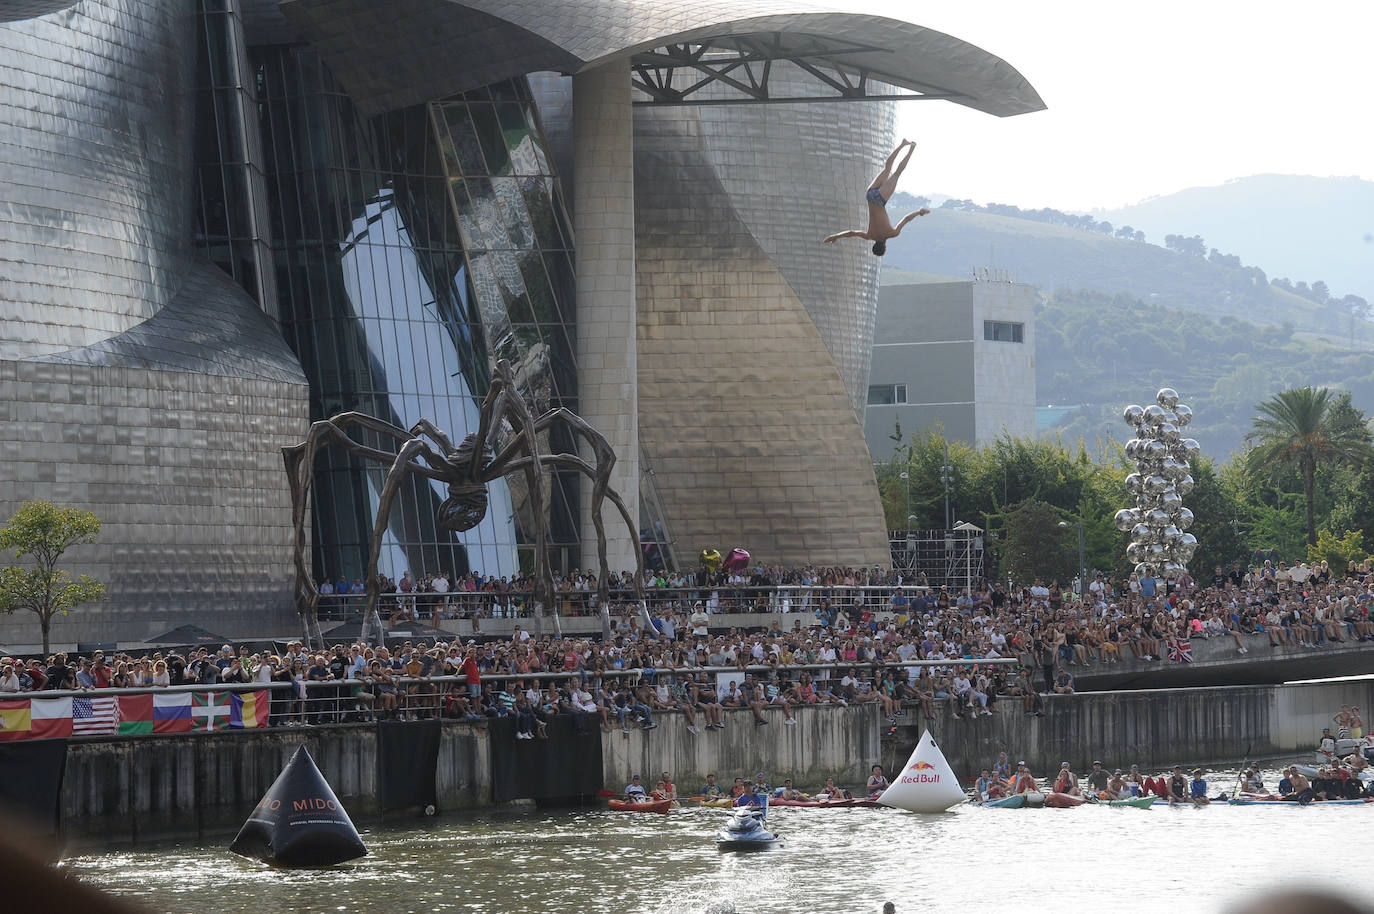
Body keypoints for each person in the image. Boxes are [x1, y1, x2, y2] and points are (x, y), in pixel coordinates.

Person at [822, 139, 930, 256]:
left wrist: (919, 212)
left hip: (880, 200)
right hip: (869, 195)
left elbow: (906, 218)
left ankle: (911, 149)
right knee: (887, 168)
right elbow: (851, 233)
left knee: (896, 173)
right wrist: (835, 236)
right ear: (874, 245)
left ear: (884, 247)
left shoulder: (892, 233)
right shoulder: (869, 236)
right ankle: (902, 144)